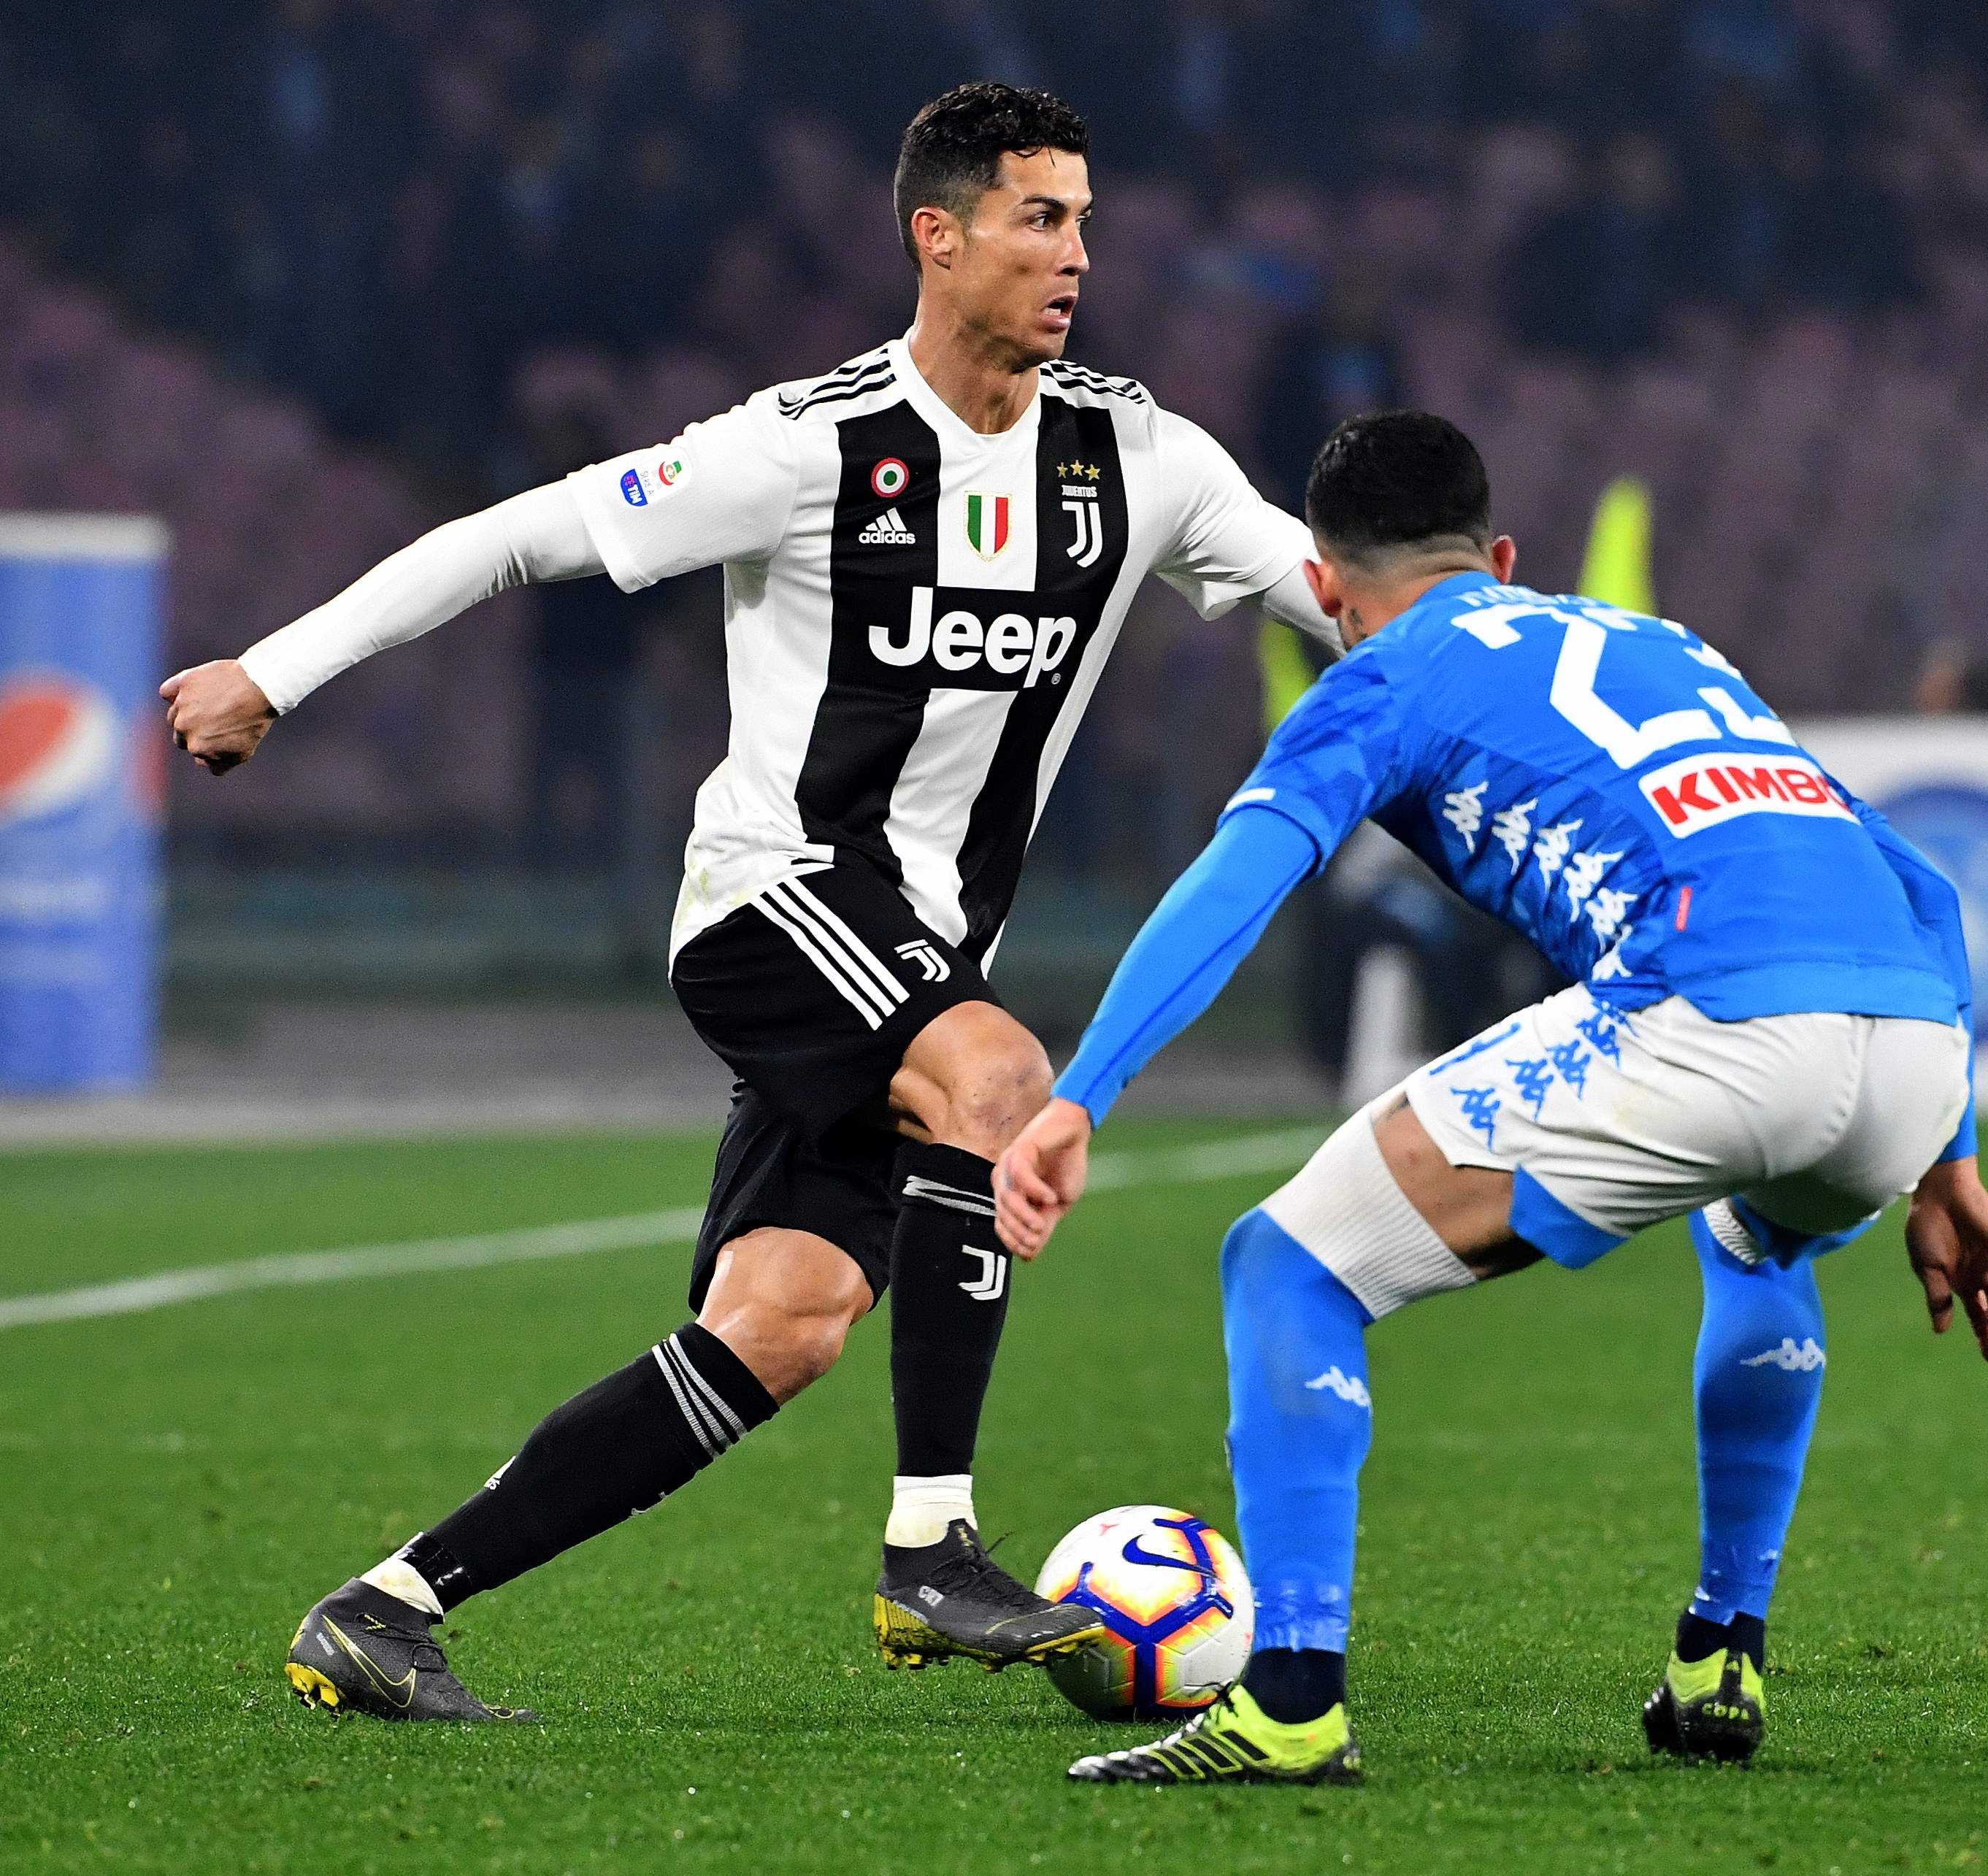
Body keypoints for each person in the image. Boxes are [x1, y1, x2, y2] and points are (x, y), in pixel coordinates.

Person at [159, 82, 1342, 1723]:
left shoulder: (1139, 457)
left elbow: (1342, 605)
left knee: (776, 1325)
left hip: (921, 952)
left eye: (1085, 219)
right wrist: (273, 673)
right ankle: (931, 1548)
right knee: (999, 1080)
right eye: (1040, 217)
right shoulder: (806, 445)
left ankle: (384, 1608)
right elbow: (517, 538)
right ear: (936, 234)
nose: (1079, 253)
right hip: (771, 901)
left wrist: (1521, 667)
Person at [991, 412, 1988, 1784]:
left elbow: (1240, 878)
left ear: (1328, 589)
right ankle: (1721, 1649)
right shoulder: (1674, 650)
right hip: (1912, 1042)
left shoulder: (1386, 669)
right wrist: (1950, 1166)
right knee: (1758, 1235)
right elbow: (1930, 889)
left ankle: (1289, 1702)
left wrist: (1081, 1094)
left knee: (1286, 1267)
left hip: (1713, 1011)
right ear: (1507, 555)